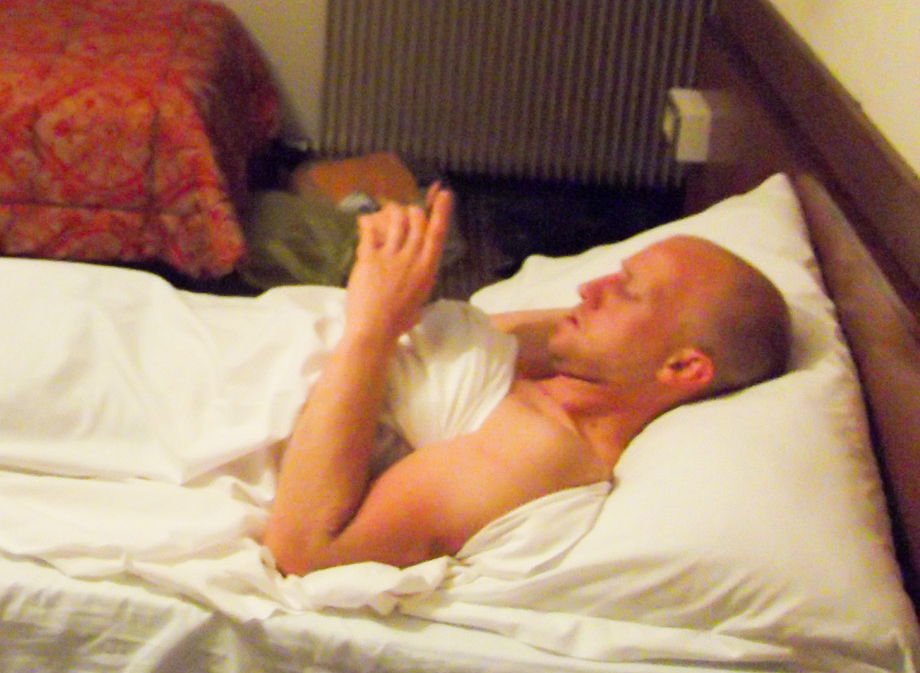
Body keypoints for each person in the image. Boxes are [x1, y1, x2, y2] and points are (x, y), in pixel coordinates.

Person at [265, 187, 791, 576]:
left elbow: (306, 552)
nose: (589, 288)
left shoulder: (538, 451)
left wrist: (373, 325)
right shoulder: (572, 369)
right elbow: (514, 332)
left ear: (681, 369)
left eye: (626, 291)